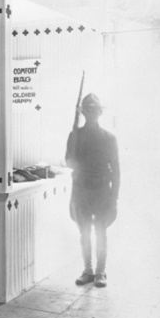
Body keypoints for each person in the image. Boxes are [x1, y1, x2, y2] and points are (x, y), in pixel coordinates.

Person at [65, 93, 120, 288]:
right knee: (84, 232)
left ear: (100, 112)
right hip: (81, 190)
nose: (91, 113)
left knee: (101, 232)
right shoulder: (74, 135)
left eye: (95, 110)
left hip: (102, 192)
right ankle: (87, 270)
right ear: (83, 112)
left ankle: (101, 272)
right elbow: (68, 162)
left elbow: (116, 171)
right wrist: (71, 159)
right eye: (87, 110)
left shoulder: (109, 138)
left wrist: (114, 199)